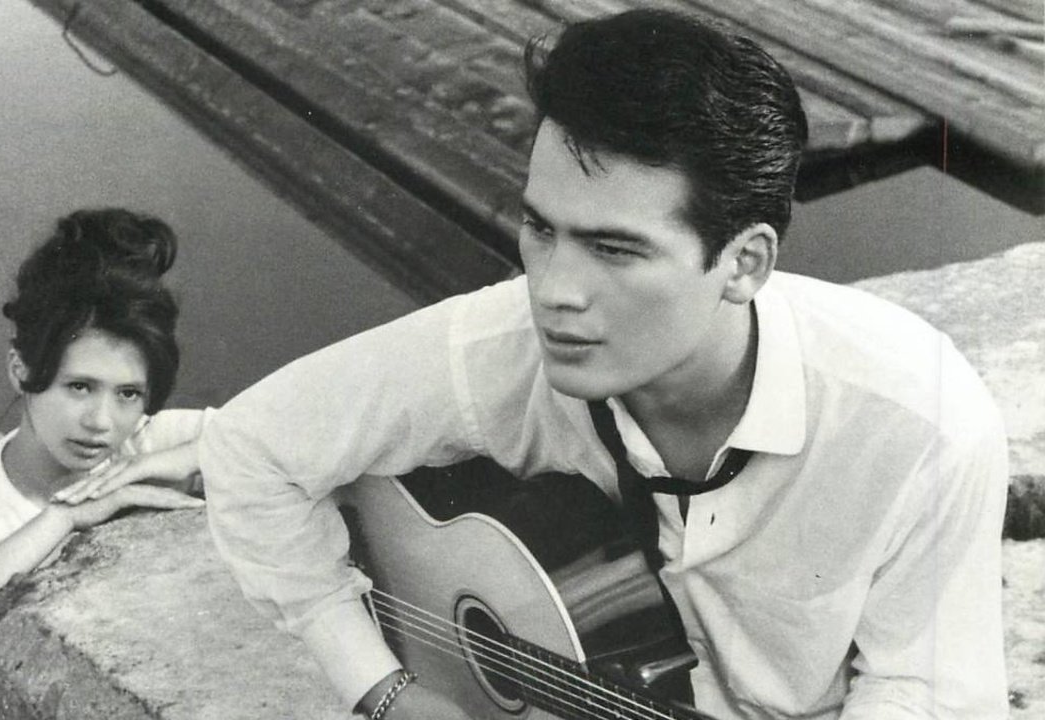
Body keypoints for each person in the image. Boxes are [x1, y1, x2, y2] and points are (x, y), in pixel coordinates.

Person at [133, 9, 1000, 719]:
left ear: (744, 264)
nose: (552, 290)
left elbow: (929, 692)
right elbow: (253, 449)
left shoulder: (919, 423)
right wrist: (384, 688)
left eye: (614, 249)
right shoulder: (506, 343)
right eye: (541, 228)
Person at [0, 208, 210, 655]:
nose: (101, 422)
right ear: (20, 369)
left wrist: (162, 463)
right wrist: (65, 516)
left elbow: (321, 426)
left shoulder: (150, 441)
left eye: (127, 394)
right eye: (80, 387)